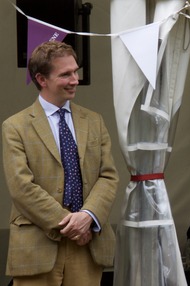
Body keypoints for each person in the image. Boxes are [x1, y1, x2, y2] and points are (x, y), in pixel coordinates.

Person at [2, 41, 119, 286]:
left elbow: (108, 177)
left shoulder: (94, 121)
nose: (75, 79)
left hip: (87, 246)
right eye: (65, 74)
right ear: (41, 79)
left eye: (75, 71)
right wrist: (72, 224)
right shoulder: (15, 126)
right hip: (38, 245)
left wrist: (88, 216)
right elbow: (21, 187)